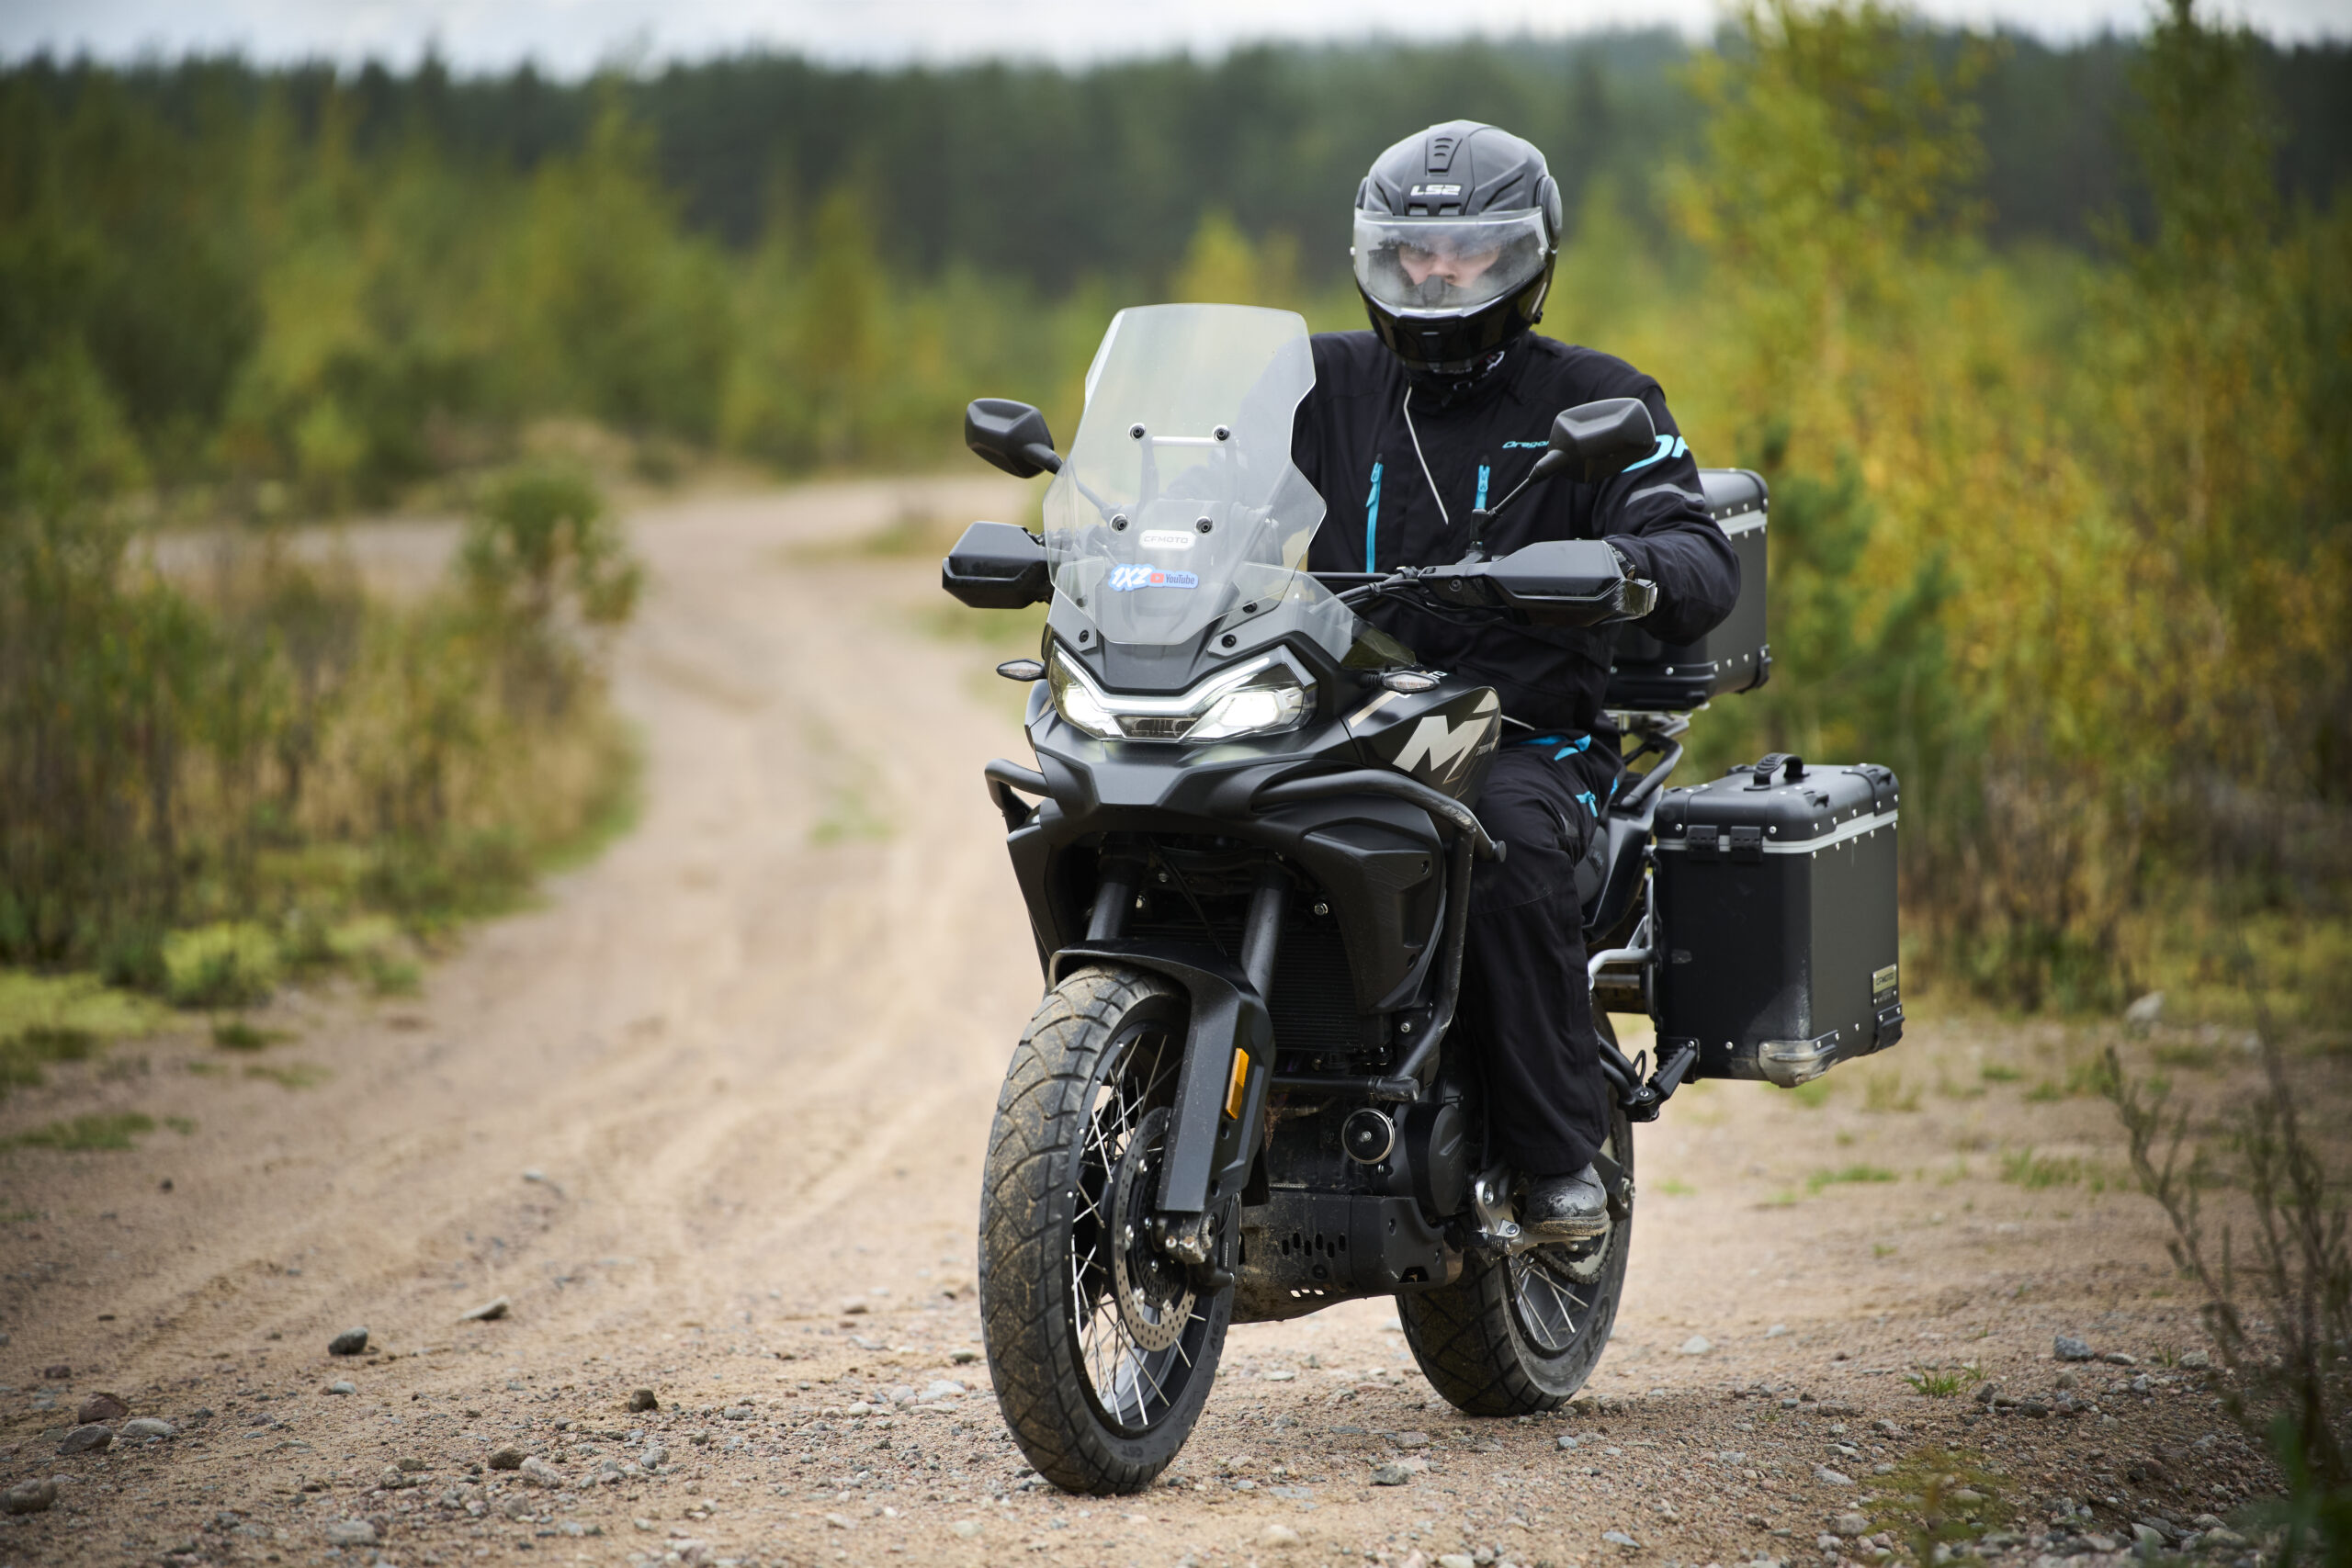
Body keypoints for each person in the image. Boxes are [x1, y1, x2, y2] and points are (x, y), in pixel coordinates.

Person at [1290, 120, 1739, 1238]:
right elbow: (1191, 479)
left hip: (1524, 737)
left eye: (1469, 252)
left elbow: (1697, 553)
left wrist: (1619, 565)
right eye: (1414, 252)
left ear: (1526, 259)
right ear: (1376, 255)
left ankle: (1555, 1159)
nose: (1437, 274)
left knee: (1497, 845)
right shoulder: (1316, 383)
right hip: (1337, 718)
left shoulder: (1596, 398)